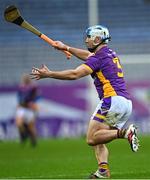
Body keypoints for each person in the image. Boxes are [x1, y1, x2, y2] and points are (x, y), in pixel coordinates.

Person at [30, 25, 139, 178]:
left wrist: (49, 74)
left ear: (97, 39)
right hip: (125, 103)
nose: (86, 40)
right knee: (99, 137)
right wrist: (65, 47)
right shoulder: (109, 53)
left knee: (91, 138)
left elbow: (75, 74)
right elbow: (88, 56)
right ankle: (103, 170)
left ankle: (125, 132)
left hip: (111, 100)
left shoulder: (98, 58)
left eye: (89, 37)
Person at [15, 74, 39, 147]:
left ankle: (33, 140)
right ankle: (24, 135)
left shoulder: (33, 87)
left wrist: (34, 104)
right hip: (22, 108)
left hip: (29, 109)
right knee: (19, 123)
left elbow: (36, 96)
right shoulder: (20, 87)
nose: (25, 79)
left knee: (31, 127)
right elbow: (19, 97)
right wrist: (18, 104)